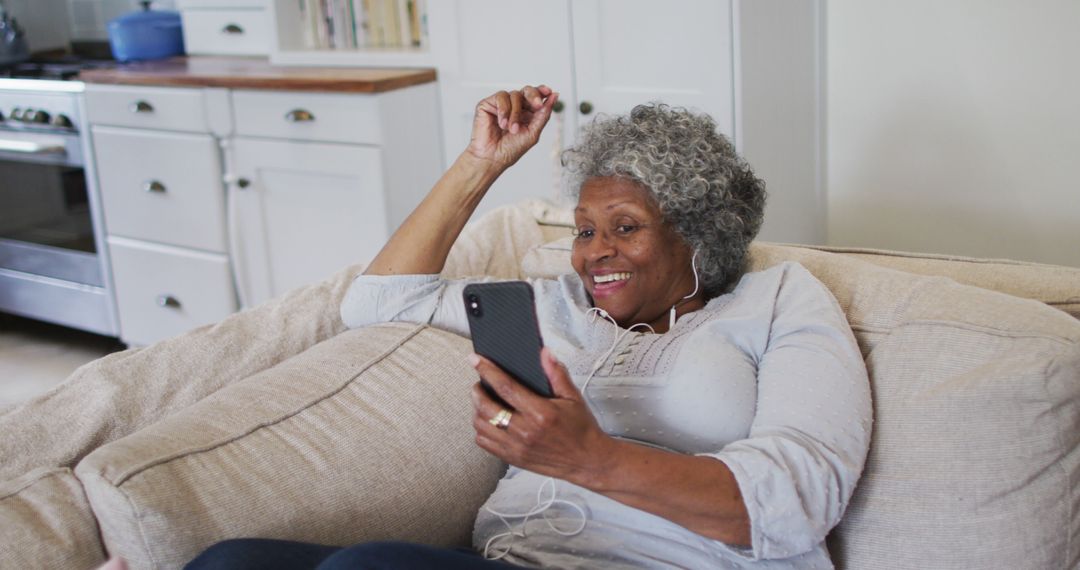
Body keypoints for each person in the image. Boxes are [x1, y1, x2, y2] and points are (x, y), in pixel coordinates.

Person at [186, 85, 872, 569]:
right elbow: (378, 302)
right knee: (228, 561)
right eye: (583, 230)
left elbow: (795, 501)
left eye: (624, 229)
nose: (593, 253)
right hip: (516, 554)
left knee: (371, 568)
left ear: (700, 234)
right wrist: (480, 163)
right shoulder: (558, 305)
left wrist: (588, 458)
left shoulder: (778, 300)